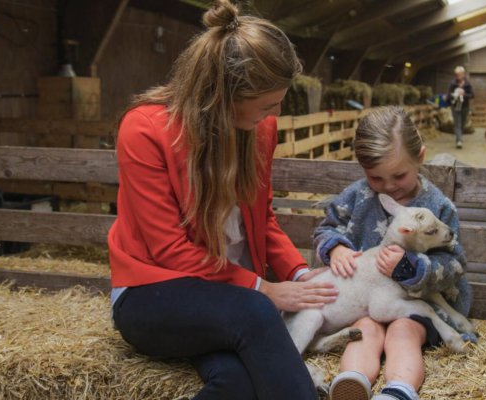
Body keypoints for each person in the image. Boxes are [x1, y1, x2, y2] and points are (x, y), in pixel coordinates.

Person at [108, 2, 338, 399]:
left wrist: (301, 275)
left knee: (239, 383)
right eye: (268, 104)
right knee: (256, 312)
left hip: (230, 302)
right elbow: (169, 250)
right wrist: (262, 287)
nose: (276, 113)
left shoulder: (259, 128)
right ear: (225, 94)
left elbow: (261, 218)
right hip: (154, 292)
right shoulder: (144, 129)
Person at [313, 106, 472, 400]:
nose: (388, 186)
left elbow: (454, 263)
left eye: (399, 175)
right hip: (367, 302)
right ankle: (352, 383)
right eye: (376, 178)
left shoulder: (437, 208)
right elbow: (327, 229)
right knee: (365, 331)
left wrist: (411, 268)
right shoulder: (357, 196)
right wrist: (335, 248)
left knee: (403, 332)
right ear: (363, 168)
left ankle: (397, 390)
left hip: (417, 303)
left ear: (420, 157)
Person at [447, 66, 474, 149]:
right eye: (456, 74)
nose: (457, 76)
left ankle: (459, 137)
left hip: (465, 106)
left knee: (462, 123)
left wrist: (464, 94)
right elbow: (448, 95)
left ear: (463, 74)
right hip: (455, 107)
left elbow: (472, 95)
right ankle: (459, 140)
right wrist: (454, 95)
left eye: (459, 74)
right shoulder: (453, 84)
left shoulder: (467, 84)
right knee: (457, 123)